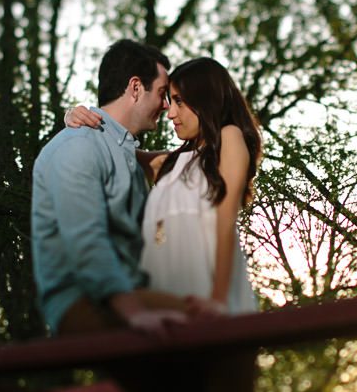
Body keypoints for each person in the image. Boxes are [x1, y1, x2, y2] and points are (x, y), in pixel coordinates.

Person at [66, 57, 261, 315]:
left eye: (179, 101)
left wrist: (218, 299)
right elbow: (117, 146)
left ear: (207, 99)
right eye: (169, 100)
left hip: (208, 300)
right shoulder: (171, 164)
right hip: (162, 300)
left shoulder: (230, 137)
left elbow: (225, 221)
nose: (170, 113)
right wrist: (77, 116)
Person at [31, 39, 189, 337]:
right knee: (207, 327)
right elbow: (86, 243)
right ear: (135, 88)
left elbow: (186, 162)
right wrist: (136, 314)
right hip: (86, 302)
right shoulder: (78, 147)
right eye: (162, 93)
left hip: (132, 293)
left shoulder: (126, 155)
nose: (166, 105)